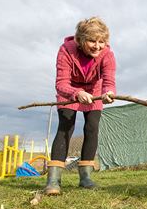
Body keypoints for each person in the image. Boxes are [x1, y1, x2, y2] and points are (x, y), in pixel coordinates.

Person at [44, 16, 116, 195]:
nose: (97, 46)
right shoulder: (66, 50)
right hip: (69, 92)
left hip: (95, 91)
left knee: (92, 128)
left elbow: (109, 80)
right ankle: (53, 181)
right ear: (80, 40)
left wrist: (108, 93)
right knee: (65, 127)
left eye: (102, 42)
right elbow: (61, 82)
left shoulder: (107, 54)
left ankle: (85, 178)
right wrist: (76, 93)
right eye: (92, 41)